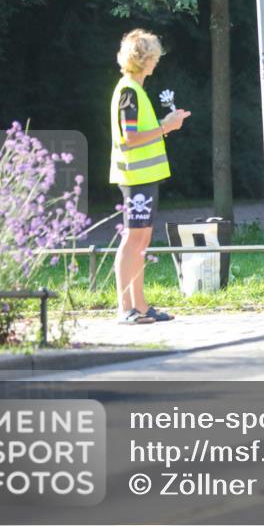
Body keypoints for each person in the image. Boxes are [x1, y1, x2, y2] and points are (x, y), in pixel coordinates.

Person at [110, 29, 191, 324]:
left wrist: (164, 123)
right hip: (135, 177)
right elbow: (130, 138)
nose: (156, 61)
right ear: (144, 59)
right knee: (133, 238)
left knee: (141, 240)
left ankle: (140, 306)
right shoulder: (129, 91)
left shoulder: (134, 90)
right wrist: (165, 127)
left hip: (144, 176)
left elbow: (136, 133)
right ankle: (125, 309)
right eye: (154, 56)